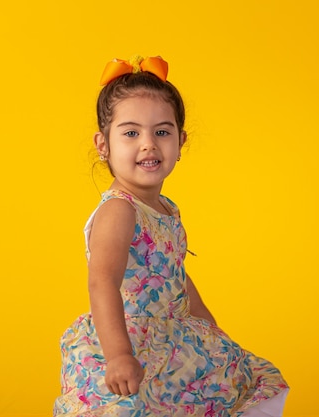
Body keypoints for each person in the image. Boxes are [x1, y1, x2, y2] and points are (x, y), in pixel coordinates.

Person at [54, 55, 289, 416]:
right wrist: (118, 355)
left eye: (161, 132)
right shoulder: (119, 210)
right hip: (130, 338)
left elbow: (174, 273)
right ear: (103, 145)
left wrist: (208, 324)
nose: (148, 144)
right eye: (131, 133)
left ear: (180, 141)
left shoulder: (165, 208)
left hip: (172, 340)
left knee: (234, 382)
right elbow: (101, 282)